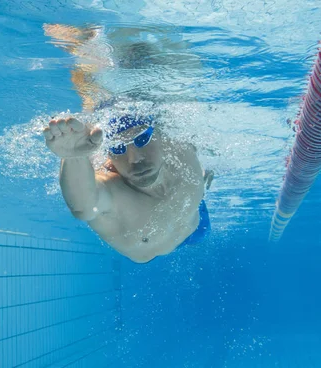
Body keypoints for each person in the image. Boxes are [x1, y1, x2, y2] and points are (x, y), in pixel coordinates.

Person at [41, 24, 213, 263]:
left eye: (142, 139)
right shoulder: (113, 193)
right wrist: (73, 157)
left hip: (196, 224)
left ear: (162, 134)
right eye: (117, 148)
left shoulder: (180, 143)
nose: (134, 159)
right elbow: (83, 207)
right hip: (162, 246)